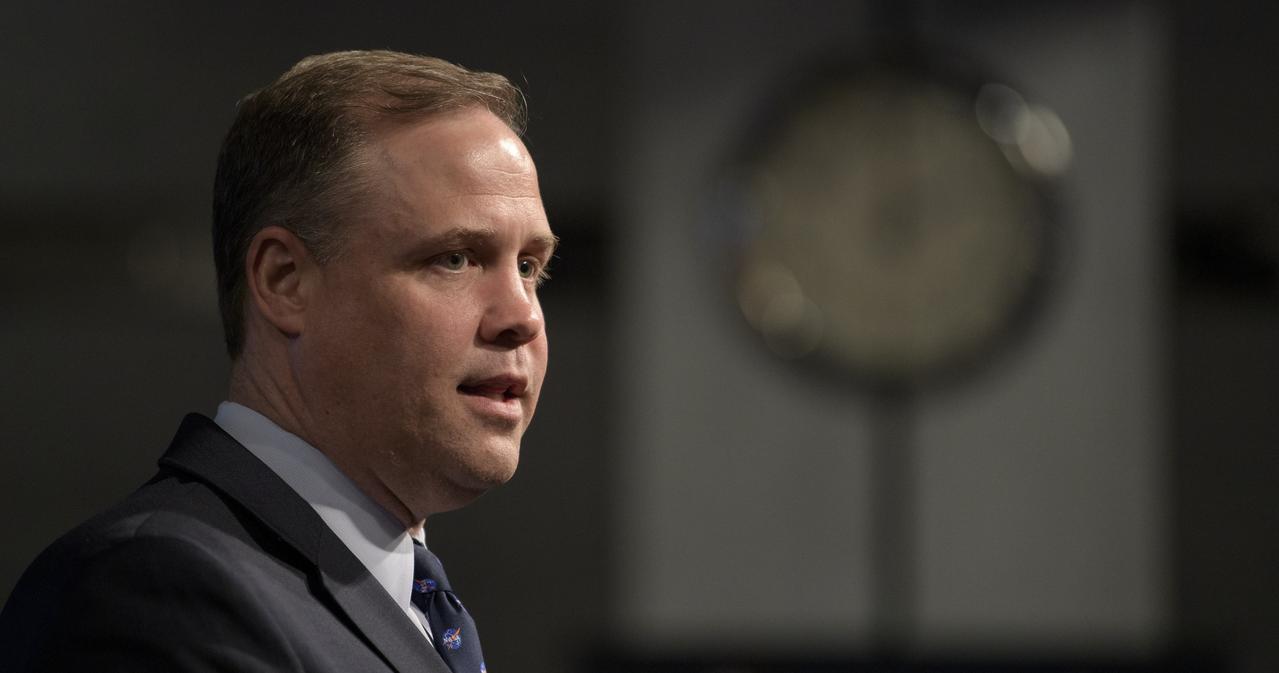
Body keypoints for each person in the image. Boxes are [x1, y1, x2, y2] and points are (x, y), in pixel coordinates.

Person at [0, 50, 554, 672]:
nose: (523, 316)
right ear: (284, 280)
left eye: (531, 267)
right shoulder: (158, 590)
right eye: (455, 258)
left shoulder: (408, 602)